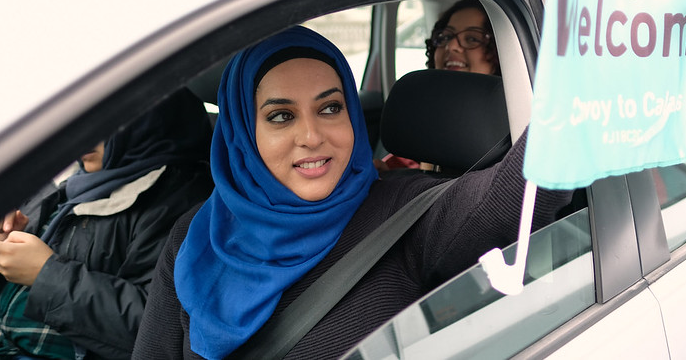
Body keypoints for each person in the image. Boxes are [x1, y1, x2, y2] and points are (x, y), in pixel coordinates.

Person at [132, 26, 572, 360]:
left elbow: (521, 190)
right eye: (281, 116)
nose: (311, 135)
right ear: (242, 135)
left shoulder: (405, 216)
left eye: (330, 108)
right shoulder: (194, 237)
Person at [0, 88, 215, 359]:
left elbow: (159, 329)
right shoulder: (74, 187)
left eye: (102, 122)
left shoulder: (180, 200)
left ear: (146, 119)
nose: (83, 136)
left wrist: (45, 275)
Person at [378, 0, 499, 171]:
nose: (451, 47)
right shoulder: (415, 132)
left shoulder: (511, 137)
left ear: (499, 52)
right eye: (445, 37)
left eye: (472, 39)